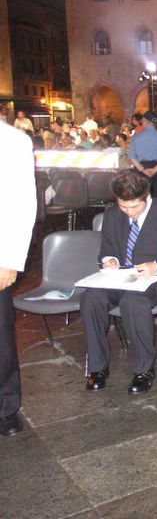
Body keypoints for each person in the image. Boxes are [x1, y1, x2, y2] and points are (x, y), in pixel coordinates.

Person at [82, 171, 157, 394]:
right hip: (125, 278)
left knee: (133, 302)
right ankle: (97, 367)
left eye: (134, 207)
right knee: (91, 298)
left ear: (147, 197)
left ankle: (144, 369)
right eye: (123, 206)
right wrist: (110, 260)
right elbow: (107, 250)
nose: (129, 212)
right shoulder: (113, 216)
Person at [0, 122, 36, 436]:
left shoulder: (12, 141)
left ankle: (5, 408)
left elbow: (23, 202)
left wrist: (10, 259)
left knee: (1, 338)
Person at [127, 111, 157, 197]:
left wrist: (143, 170)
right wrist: (154, 170)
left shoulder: (136, 137)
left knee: (142, 198)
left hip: (141, 170)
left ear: (145, 121)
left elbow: (132, 157)